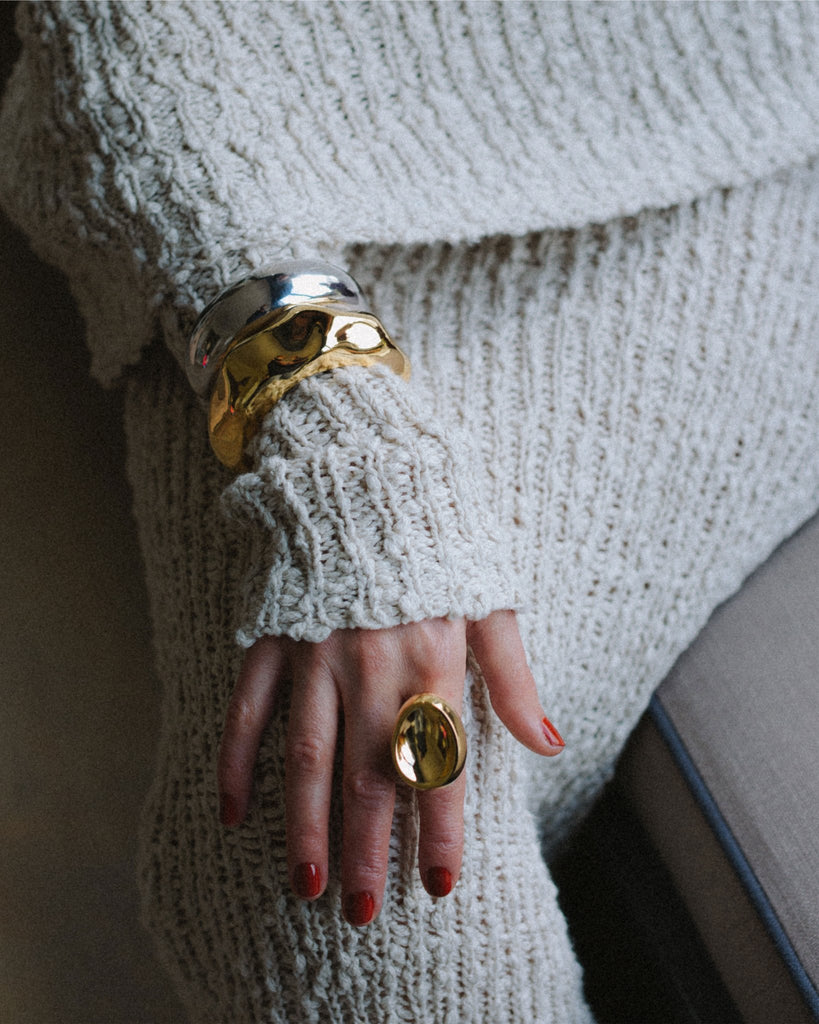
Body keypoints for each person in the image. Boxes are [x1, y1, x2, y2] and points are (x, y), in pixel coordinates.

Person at [3, 2, 819, 1021]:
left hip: (776, 126)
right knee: (339, 856)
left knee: (379, 833)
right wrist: (350, 451)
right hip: (258, 157)